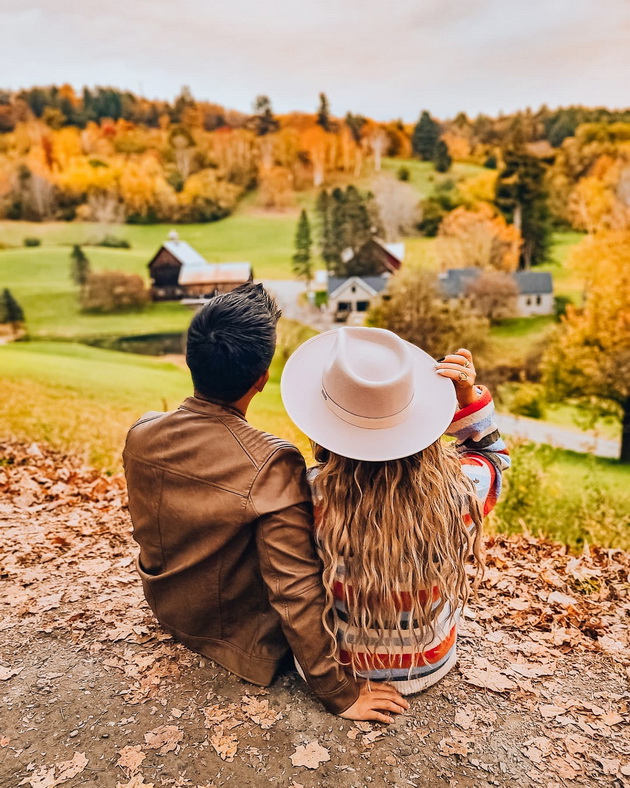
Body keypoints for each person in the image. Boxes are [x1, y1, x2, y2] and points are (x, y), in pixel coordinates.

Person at [123, 284, 408, 722]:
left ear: (191, 359)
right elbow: (292, 585)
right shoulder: (270, 462)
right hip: (238, 640)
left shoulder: (142, 432)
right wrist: (339, 691)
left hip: (168, 608)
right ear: (262, 378)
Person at [280, 326, 510, 692]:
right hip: (429, 663)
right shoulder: (464, 488)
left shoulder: (306, 494)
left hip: (340, 670)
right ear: (421, 419)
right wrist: (466, 400)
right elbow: (492, 458)